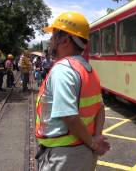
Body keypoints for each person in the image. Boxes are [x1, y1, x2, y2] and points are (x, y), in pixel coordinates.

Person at [35, 11, 110, 171]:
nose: (51, 40)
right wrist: (95, 137)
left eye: (54, 35)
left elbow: (69, 116)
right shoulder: (87, 69)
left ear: (66, 40)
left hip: (64, 157)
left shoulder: (63, 70)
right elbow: (100, 109)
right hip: (83, 153)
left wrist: (93, 143)